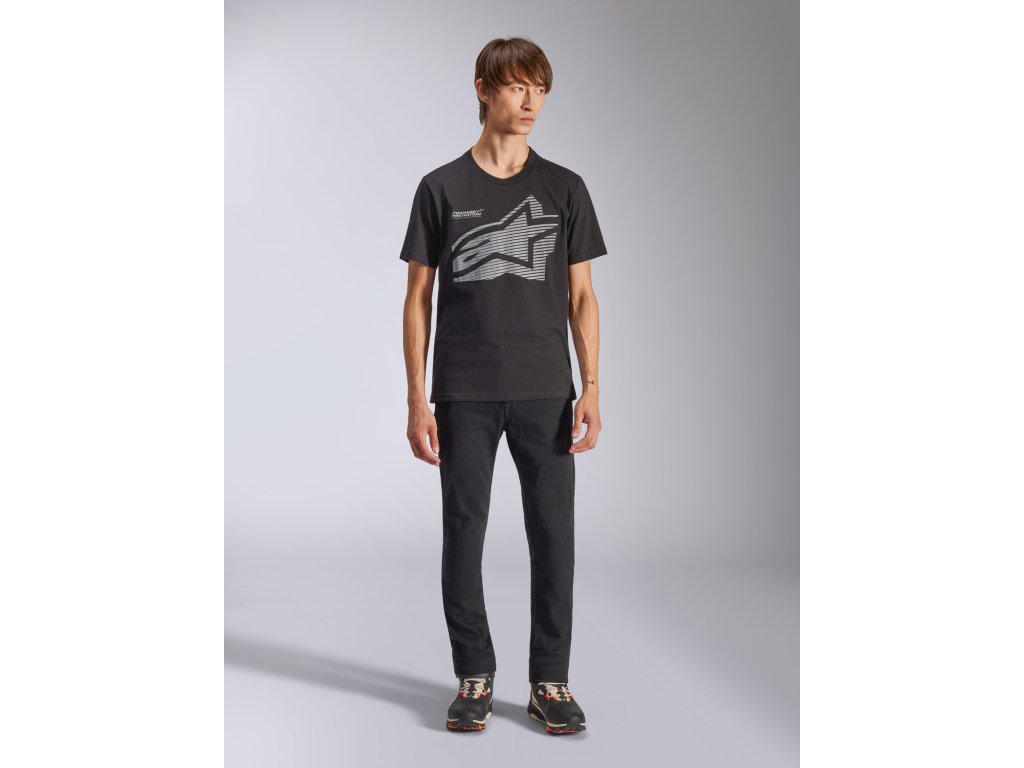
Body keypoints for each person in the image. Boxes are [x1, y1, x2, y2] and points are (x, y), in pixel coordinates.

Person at [399, 36, 606, 735]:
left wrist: (592, 386)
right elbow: (417, 298)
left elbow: (582, 296)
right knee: (464, 534)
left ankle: (551, 680)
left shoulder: (564, 188)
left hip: (547, 388)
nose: (531, 102)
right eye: (518, 86)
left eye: (540, 89)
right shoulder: (441, 188)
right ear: (483, 89)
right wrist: (416, 398)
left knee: (554, 536)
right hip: (464, 391)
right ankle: (475, 675)